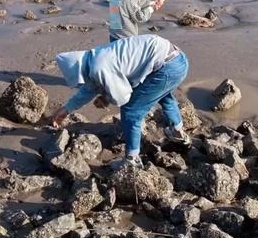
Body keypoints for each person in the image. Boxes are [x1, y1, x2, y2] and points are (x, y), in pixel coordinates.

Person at [52, 33, 190, 168]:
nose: (81, 84)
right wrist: (66, 109)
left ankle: (132, 160)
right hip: (178, 60)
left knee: (131, 111)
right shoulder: (94, 57)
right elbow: (90, 89)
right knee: (165, 97)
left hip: (166, 68)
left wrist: (106, 98)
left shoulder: (99, 68)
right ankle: (178, 131)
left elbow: (122, 97)